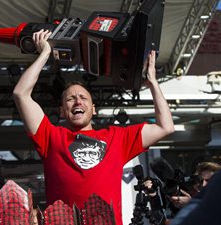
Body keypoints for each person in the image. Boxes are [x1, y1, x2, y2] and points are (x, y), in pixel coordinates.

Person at [12, 29, 175, 225]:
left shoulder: (117, 137)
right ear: (62, 111)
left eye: (83, 98)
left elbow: (166, 127)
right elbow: (21, 93)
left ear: (93, 109)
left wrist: (153, 83)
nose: (78, 102)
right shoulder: (51, 136)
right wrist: (45, 53)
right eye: (70, 99)